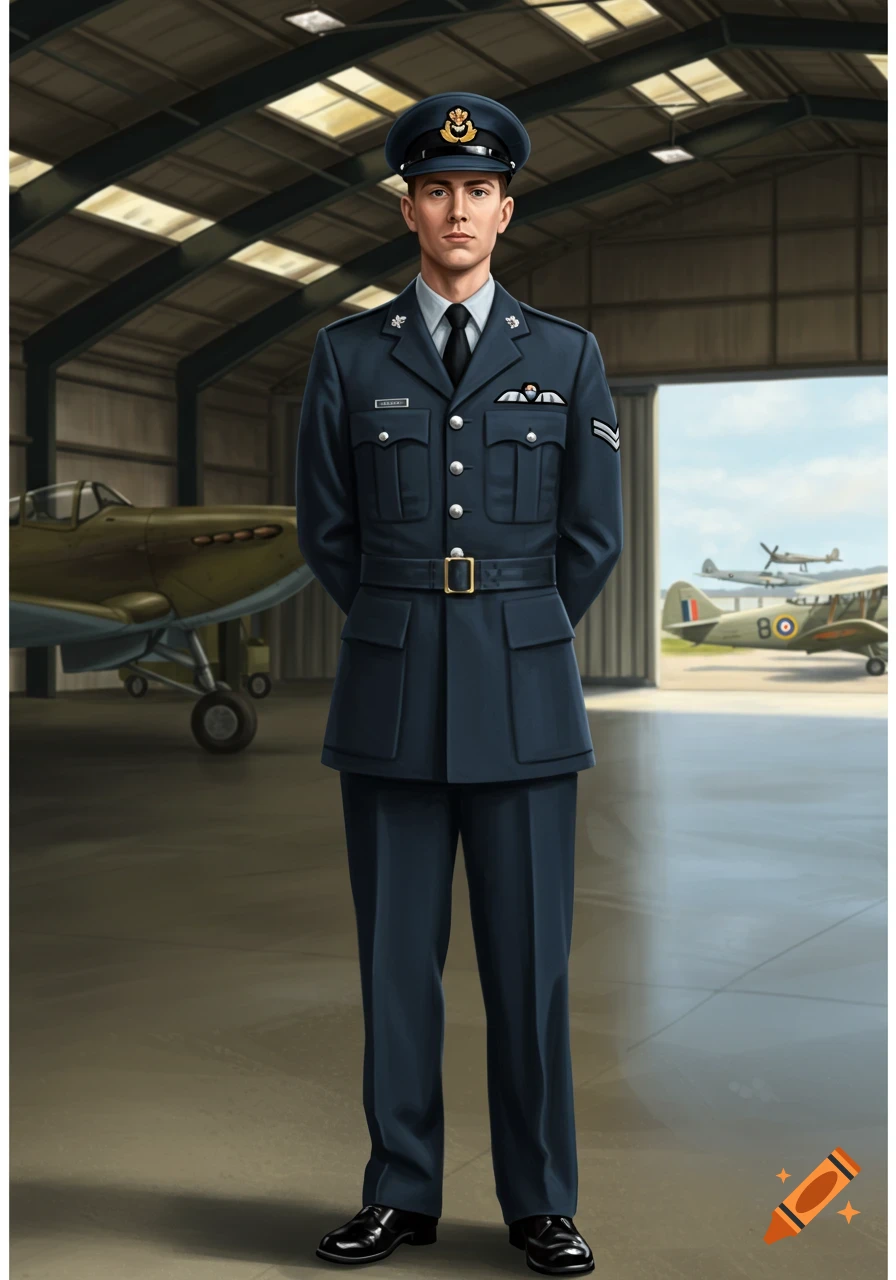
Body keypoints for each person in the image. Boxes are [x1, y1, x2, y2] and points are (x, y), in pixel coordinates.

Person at [295, 91, 623, 1276]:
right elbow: (327, 532)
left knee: (528, 972)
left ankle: (539, 1200)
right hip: (388, 701)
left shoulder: (566, 357)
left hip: (525, 704)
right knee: (397, 974)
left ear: (505, 208)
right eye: (436, 188)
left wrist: (509, 631)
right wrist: (410, 623)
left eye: (479, 189)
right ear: (408, 207)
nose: (457, 208)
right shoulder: (345, 356)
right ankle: (400, 1190)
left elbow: (591, 540)